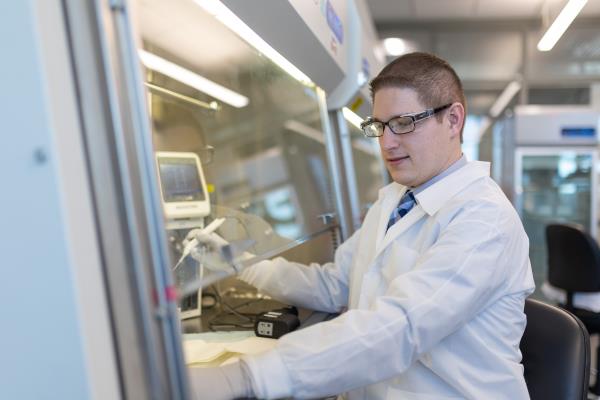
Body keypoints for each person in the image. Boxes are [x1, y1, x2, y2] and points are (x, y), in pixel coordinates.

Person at [187, 52, 535, 399]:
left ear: (453, 120)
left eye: (403, 123)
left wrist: (247, 377)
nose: (387, 142)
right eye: (379, 126)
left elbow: (401, 327)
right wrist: (246, 266)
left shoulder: (484, 219)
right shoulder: (395, 200)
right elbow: (335, 285)